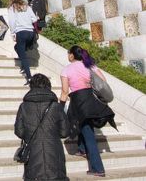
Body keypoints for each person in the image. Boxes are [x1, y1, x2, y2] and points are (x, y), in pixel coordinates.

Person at [60, 46, 117, 177]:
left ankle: (98, 168)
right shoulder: (90, 66)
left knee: (88, 133)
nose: (68, 56)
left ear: (72, 55)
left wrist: (60, 107)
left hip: (79, 101)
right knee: (83, 124)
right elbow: (103, 82)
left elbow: (64, 91)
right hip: (91, 99)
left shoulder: (66, 70)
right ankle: (81, 148)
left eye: (68, 54)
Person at [15, 73, 70, 181]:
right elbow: (65, 132)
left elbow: (19, 131)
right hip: (54, 155)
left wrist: (30, 135)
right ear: (48, 86)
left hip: (33, 156)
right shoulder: (56, 106)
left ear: (31, 86)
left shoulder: (24, 106)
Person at [7, 0, 37, 84]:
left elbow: (12, 22)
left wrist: (13, 33)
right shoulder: (27, 6)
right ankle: (24, 66)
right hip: (30, 33)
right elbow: (34, 19)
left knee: (23, 56)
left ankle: (29, 77)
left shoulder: (12, 8)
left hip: (21, 33)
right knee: (17, 48)